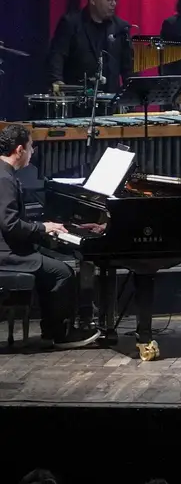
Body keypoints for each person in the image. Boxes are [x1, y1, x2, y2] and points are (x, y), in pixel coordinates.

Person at [0, 124, 100, 349]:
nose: (32, 151)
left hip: (9, 248)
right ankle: (59, 334)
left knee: (52, 264)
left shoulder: (4, 173)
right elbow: (10, 224)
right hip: (6, 254)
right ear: (19, 150)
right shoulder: (4, 179)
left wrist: (63, 227)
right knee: (61, 272)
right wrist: (43, 228)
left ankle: (52, 329)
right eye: (31, 146)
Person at [45, 0, 134, 92]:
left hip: (110, 97)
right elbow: (57, 55)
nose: (113, 4)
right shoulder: (71, 23)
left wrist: (135, 92)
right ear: (93, 0)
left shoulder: (121, 27)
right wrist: (57, 81)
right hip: (77, 96)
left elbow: (129, 67)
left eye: (115, 0)